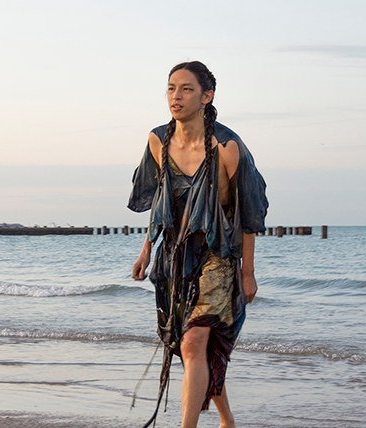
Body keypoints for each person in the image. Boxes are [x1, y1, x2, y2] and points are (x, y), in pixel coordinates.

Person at [128, 61, 268, 428]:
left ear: (207, 96)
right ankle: (227, 419)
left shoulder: (228, 147)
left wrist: (248, 273)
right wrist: (146, 250)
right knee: (192, 346)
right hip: (175, 254)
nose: (176, 96)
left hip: (217, 255)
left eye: (186, 89)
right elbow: (160, 202)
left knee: (194, 343)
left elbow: (249, 213)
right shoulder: (158, 139)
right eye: (171, 88)